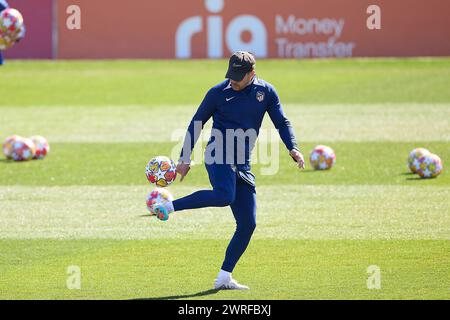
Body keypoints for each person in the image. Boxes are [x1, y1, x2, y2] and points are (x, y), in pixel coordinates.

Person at [153, 51, 305, 290]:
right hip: (218, 154)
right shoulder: (217, 93)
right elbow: (196, 123)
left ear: (251, 74)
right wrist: (184, 157)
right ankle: (168, 207)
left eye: (238, 76)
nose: (232, 80)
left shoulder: (266, 92)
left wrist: (293, 148)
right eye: (230, 75)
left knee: (247, 224)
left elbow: (281, 122)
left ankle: (224, 277)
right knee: (225, 195)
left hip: (242, 162)